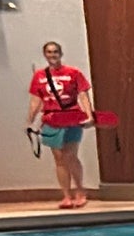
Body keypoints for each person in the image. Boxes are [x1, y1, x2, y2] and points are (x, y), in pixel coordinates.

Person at [25, 39, 95, 211]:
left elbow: (83, 95)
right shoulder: (39, 76)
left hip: (71, 117)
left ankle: (80, 191)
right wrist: (30, 121)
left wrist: (89, 115)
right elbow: (36, 100)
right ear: (45, 55)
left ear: (61, 53)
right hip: (52, 119)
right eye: (49, 52)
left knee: (70, 155)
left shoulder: (73, 73)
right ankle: (66, 195)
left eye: (55, 51)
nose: (52, 55)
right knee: (59, 158)